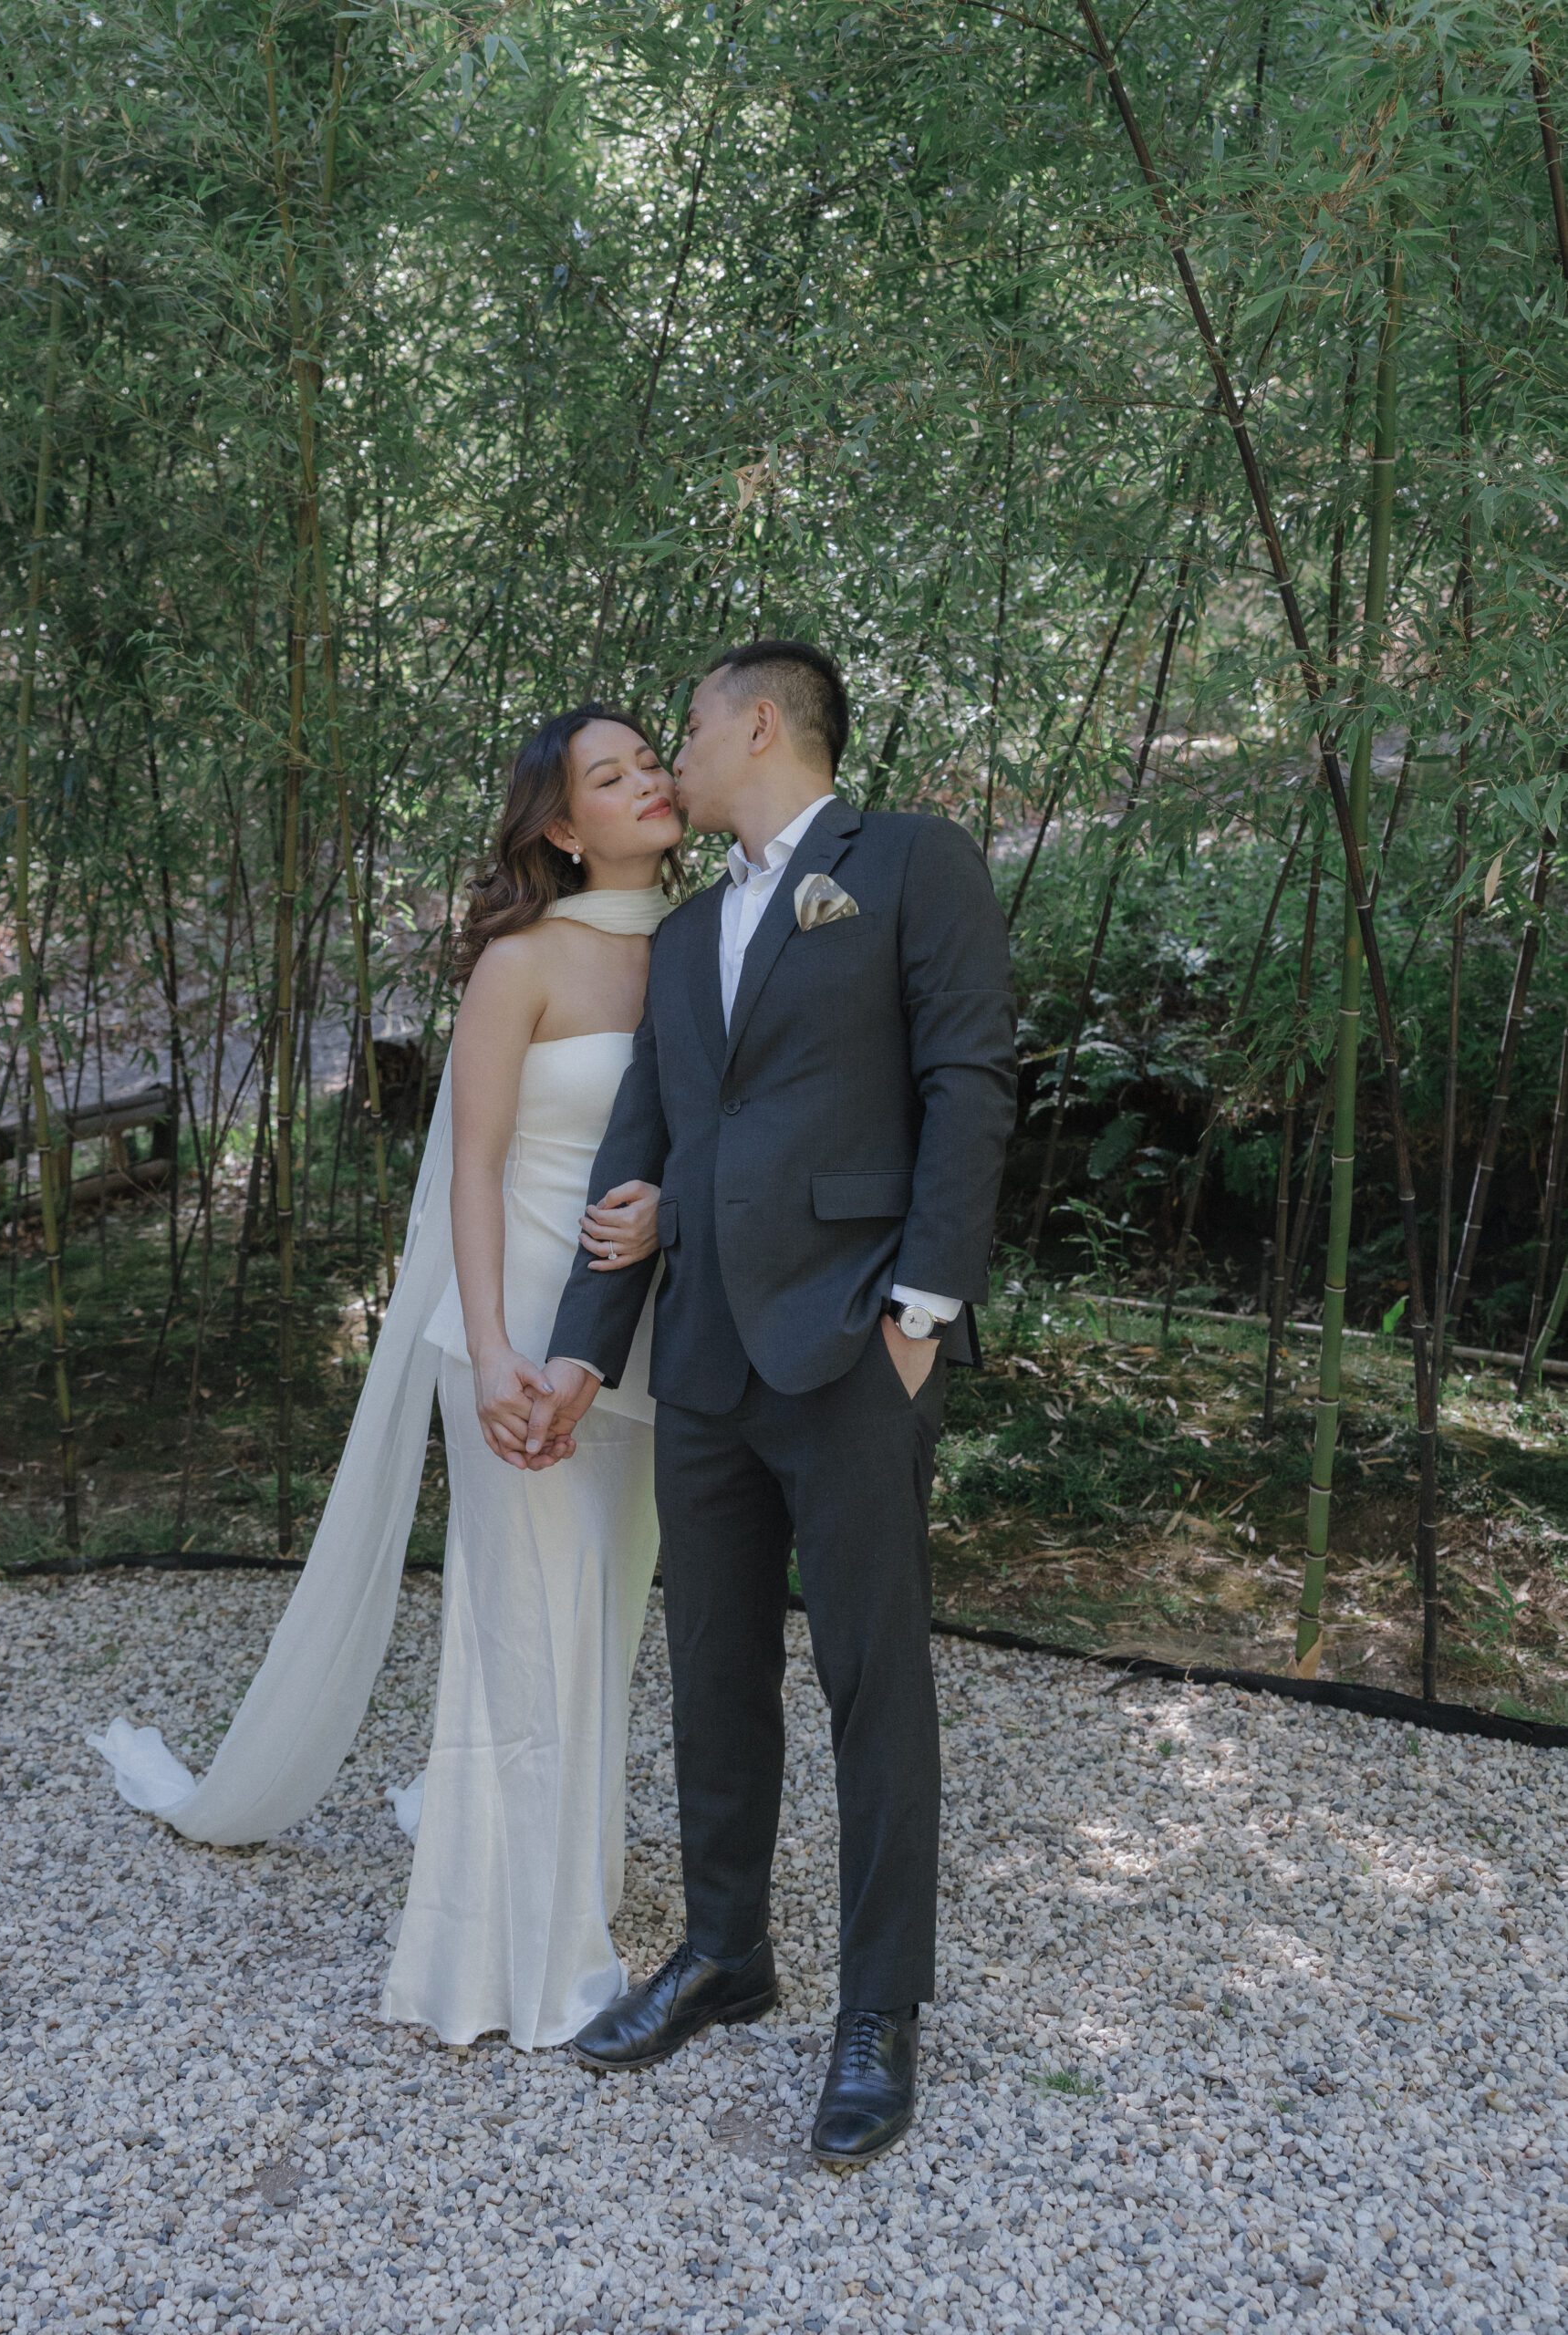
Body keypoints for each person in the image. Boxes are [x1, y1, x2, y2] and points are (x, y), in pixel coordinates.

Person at [90, 703, 684, 2050]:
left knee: (604, 1616)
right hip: (514, 1335)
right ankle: (503, 1959)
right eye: (611, 774)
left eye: (652, 760)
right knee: (522, 1629)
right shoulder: (521, 960)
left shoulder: (714, 944)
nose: (647, 781)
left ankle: (566, 1881)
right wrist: (489, 1356)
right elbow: (468, 1167)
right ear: (556, 824)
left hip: (641, 1342)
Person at [524, 641, 1017, 2164]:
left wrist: (921, 1309)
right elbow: (647, 1141)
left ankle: (880, 2009)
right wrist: (586, 1345)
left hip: (858, 1346)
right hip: (710, 1360)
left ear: (757, 724)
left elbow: (970, 1080)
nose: (673, 751)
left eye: (686, 724)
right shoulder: (685, 940)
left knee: (874, 1685)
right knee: (714, 1668)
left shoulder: (914, 864)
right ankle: (727, 1955)